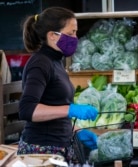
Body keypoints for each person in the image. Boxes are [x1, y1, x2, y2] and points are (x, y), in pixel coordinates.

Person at [17, 6, 98, 161]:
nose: (75, 38)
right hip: (42, 153)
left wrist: (76, 131)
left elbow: (54, 105)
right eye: (70, 33)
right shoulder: (40, 63)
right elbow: (27, 109)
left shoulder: (56, 61)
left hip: (61, 147)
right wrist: (70, 109)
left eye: (75, 32)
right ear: (52, 35)